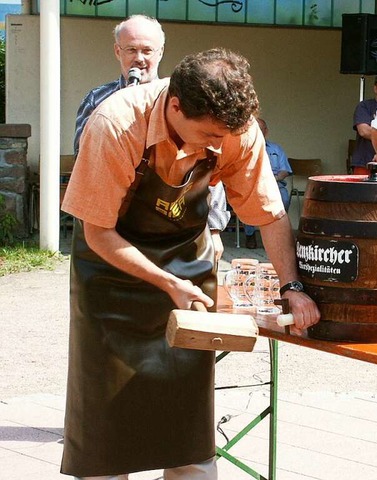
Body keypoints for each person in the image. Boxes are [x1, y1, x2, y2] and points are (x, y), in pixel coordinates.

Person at [60, 47, 320, 479]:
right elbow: (97, 233)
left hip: (188, 269)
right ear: (175, 105)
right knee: (105, 431)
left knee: (188, 426)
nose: (219, 146)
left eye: (225, 136)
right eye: (211, 135)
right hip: (111, 276)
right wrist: (166, 282)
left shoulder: (235, 130)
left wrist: (291, 287)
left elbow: (268, 215)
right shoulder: (115, 124)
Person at [72, 14, 229, 260]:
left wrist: (215, 228)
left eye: (147, 50)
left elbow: (209, 168)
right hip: (113, 229)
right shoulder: (97, 102)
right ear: (117, 51)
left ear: (161, 52)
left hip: (176, 229)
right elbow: (87, 167)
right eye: (131, 49)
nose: (140, 58)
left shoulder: (187, 100)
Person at [243, 118, 292, 249]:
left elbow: (285, 171)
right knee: (249, 203)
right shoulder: (245, 148)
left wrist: (273, 179)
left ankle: (278, 234)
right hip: (253, 185)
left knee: (284, 199)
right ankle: (250, 235)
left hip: (276, 184)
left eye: (261, 129)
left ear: (266, 131)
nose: (258, 131)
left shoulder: (277, 149)